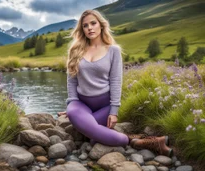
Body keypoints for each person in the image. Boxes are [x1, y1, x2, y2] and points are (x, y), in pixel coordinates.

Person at [58, 9, 173, 157]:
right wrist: (72, 102)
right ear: (82, 29)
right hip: (82, 104)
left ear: (101, 25)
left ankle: (145, 141)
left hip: (104, 105)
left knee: (94, 139)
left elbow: (116, 81)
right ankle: (138, 141)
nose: (90, 28)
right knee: (73, 113)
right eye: (85, 25)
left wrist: (113, 111)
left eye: (93, 23)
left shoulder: (113, 50)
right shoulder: (75, 50)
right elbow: (72, 80)